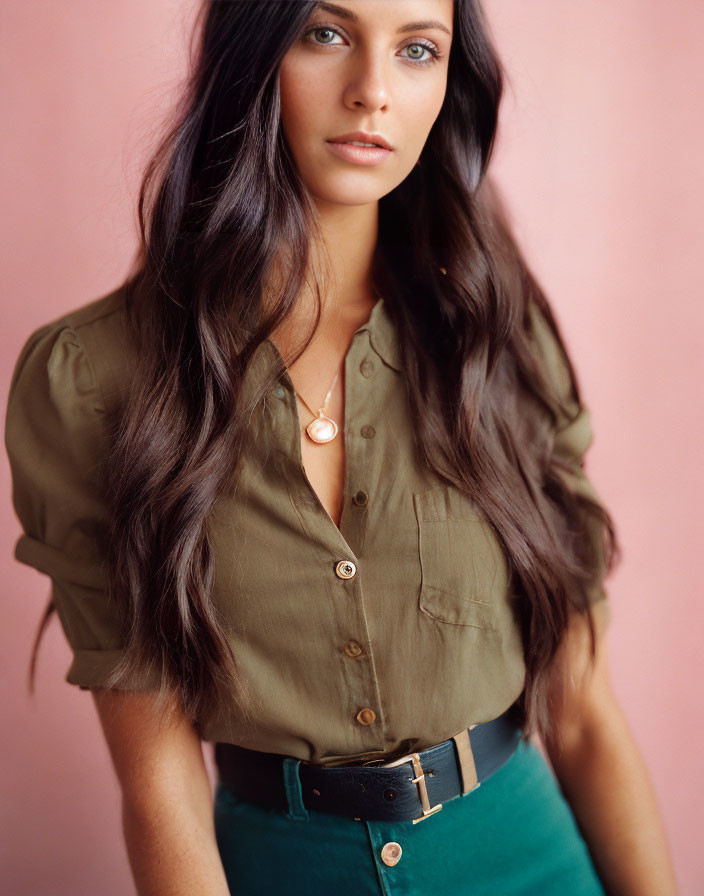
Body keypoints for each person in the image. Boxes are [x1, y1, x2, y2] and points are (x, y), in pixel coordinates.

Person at [4, 1, 678, 894]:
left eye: (416, 49)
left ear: (448, 82)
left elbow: (585, 717)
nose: (372, 92)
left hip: (528, 861)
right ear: (252, 54)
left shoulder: (493, 339)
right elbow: (160, 785)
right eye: (325, 33)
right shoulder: (93, 380)